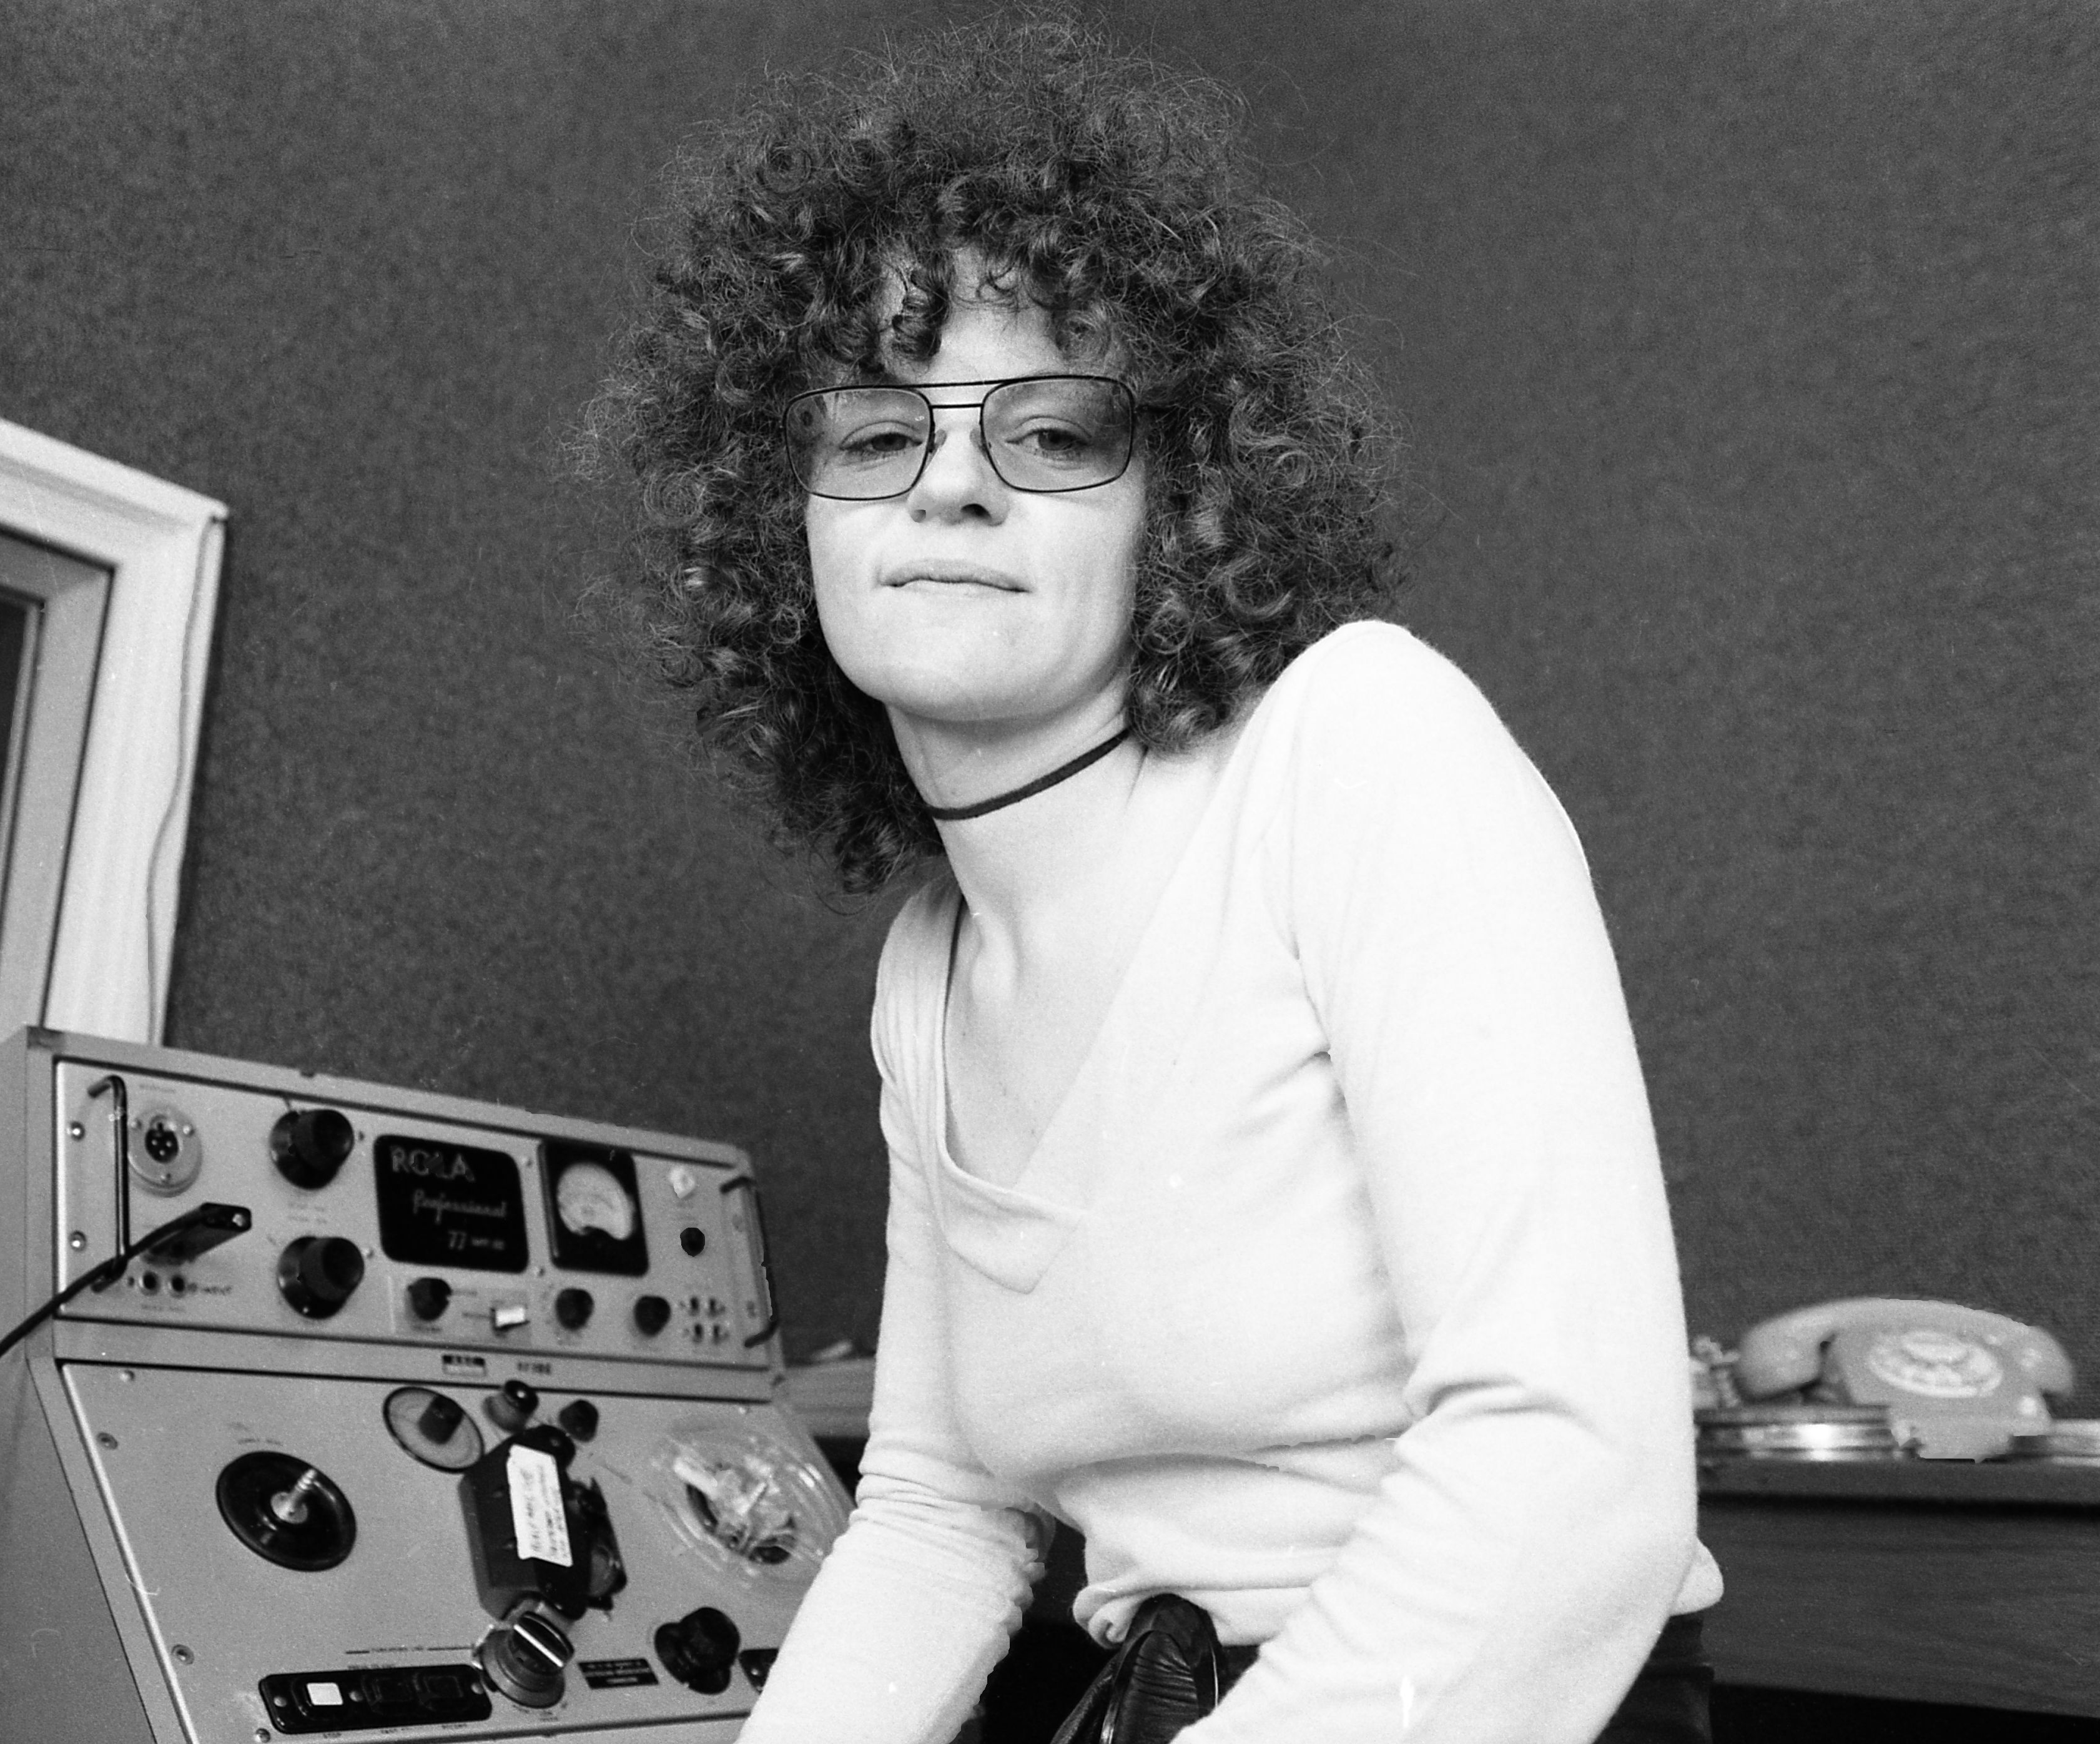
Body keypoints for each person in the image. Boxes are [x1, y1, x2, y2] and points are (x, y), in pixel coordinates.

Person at [587, 19, 1720, 1743]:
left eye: (1049, 433)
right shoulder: (928, 972)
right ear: (784, 518)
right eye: (877, 430)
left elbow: (1576, 1481)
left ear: (1180, 510)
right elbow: (938, 1519)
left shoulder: (1360, 746)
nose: (951, 477)